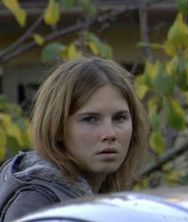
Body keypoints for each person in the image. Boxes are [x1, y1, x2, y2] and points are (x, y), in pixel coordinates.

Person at [0, 57, 149, 221]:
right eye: (90, 119)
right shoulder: (36, 205)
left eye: (119, 118)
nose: (110, 133)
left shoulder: (100, 196)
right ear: (56, 127)